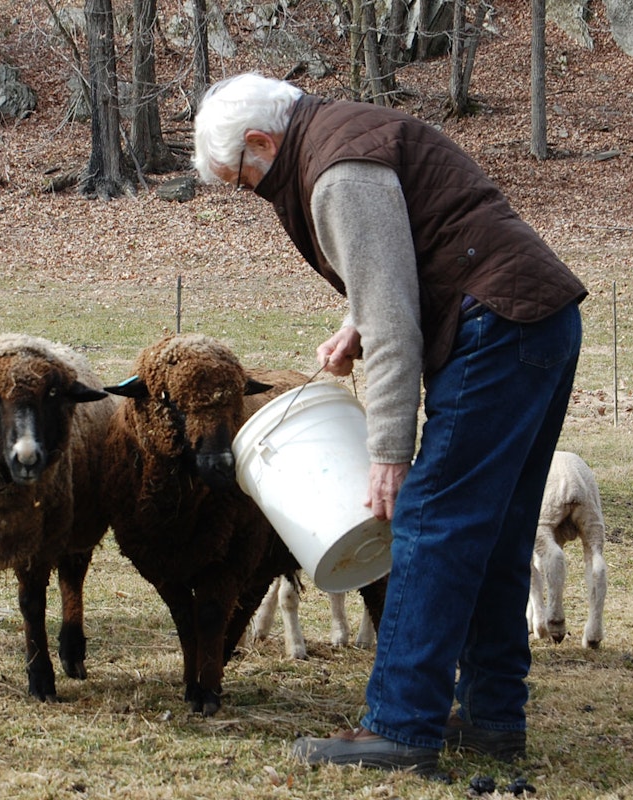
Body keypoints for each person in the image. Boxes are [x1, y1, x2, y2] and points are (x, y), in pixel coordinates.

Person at [192, 73, 586, 775]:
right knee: (495, 529)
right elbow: (406, 255)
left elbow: (396, 324)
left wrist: (389, 451)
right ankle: (493, 716)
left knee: (429, 522)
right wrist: (356, 323)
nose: (249, 191)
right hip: (538, 320)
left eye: (242, 178)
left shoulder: (336, 173)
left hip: (496, 327)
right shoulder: (343, 132)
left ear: (261, 142)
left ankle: (401, 728)